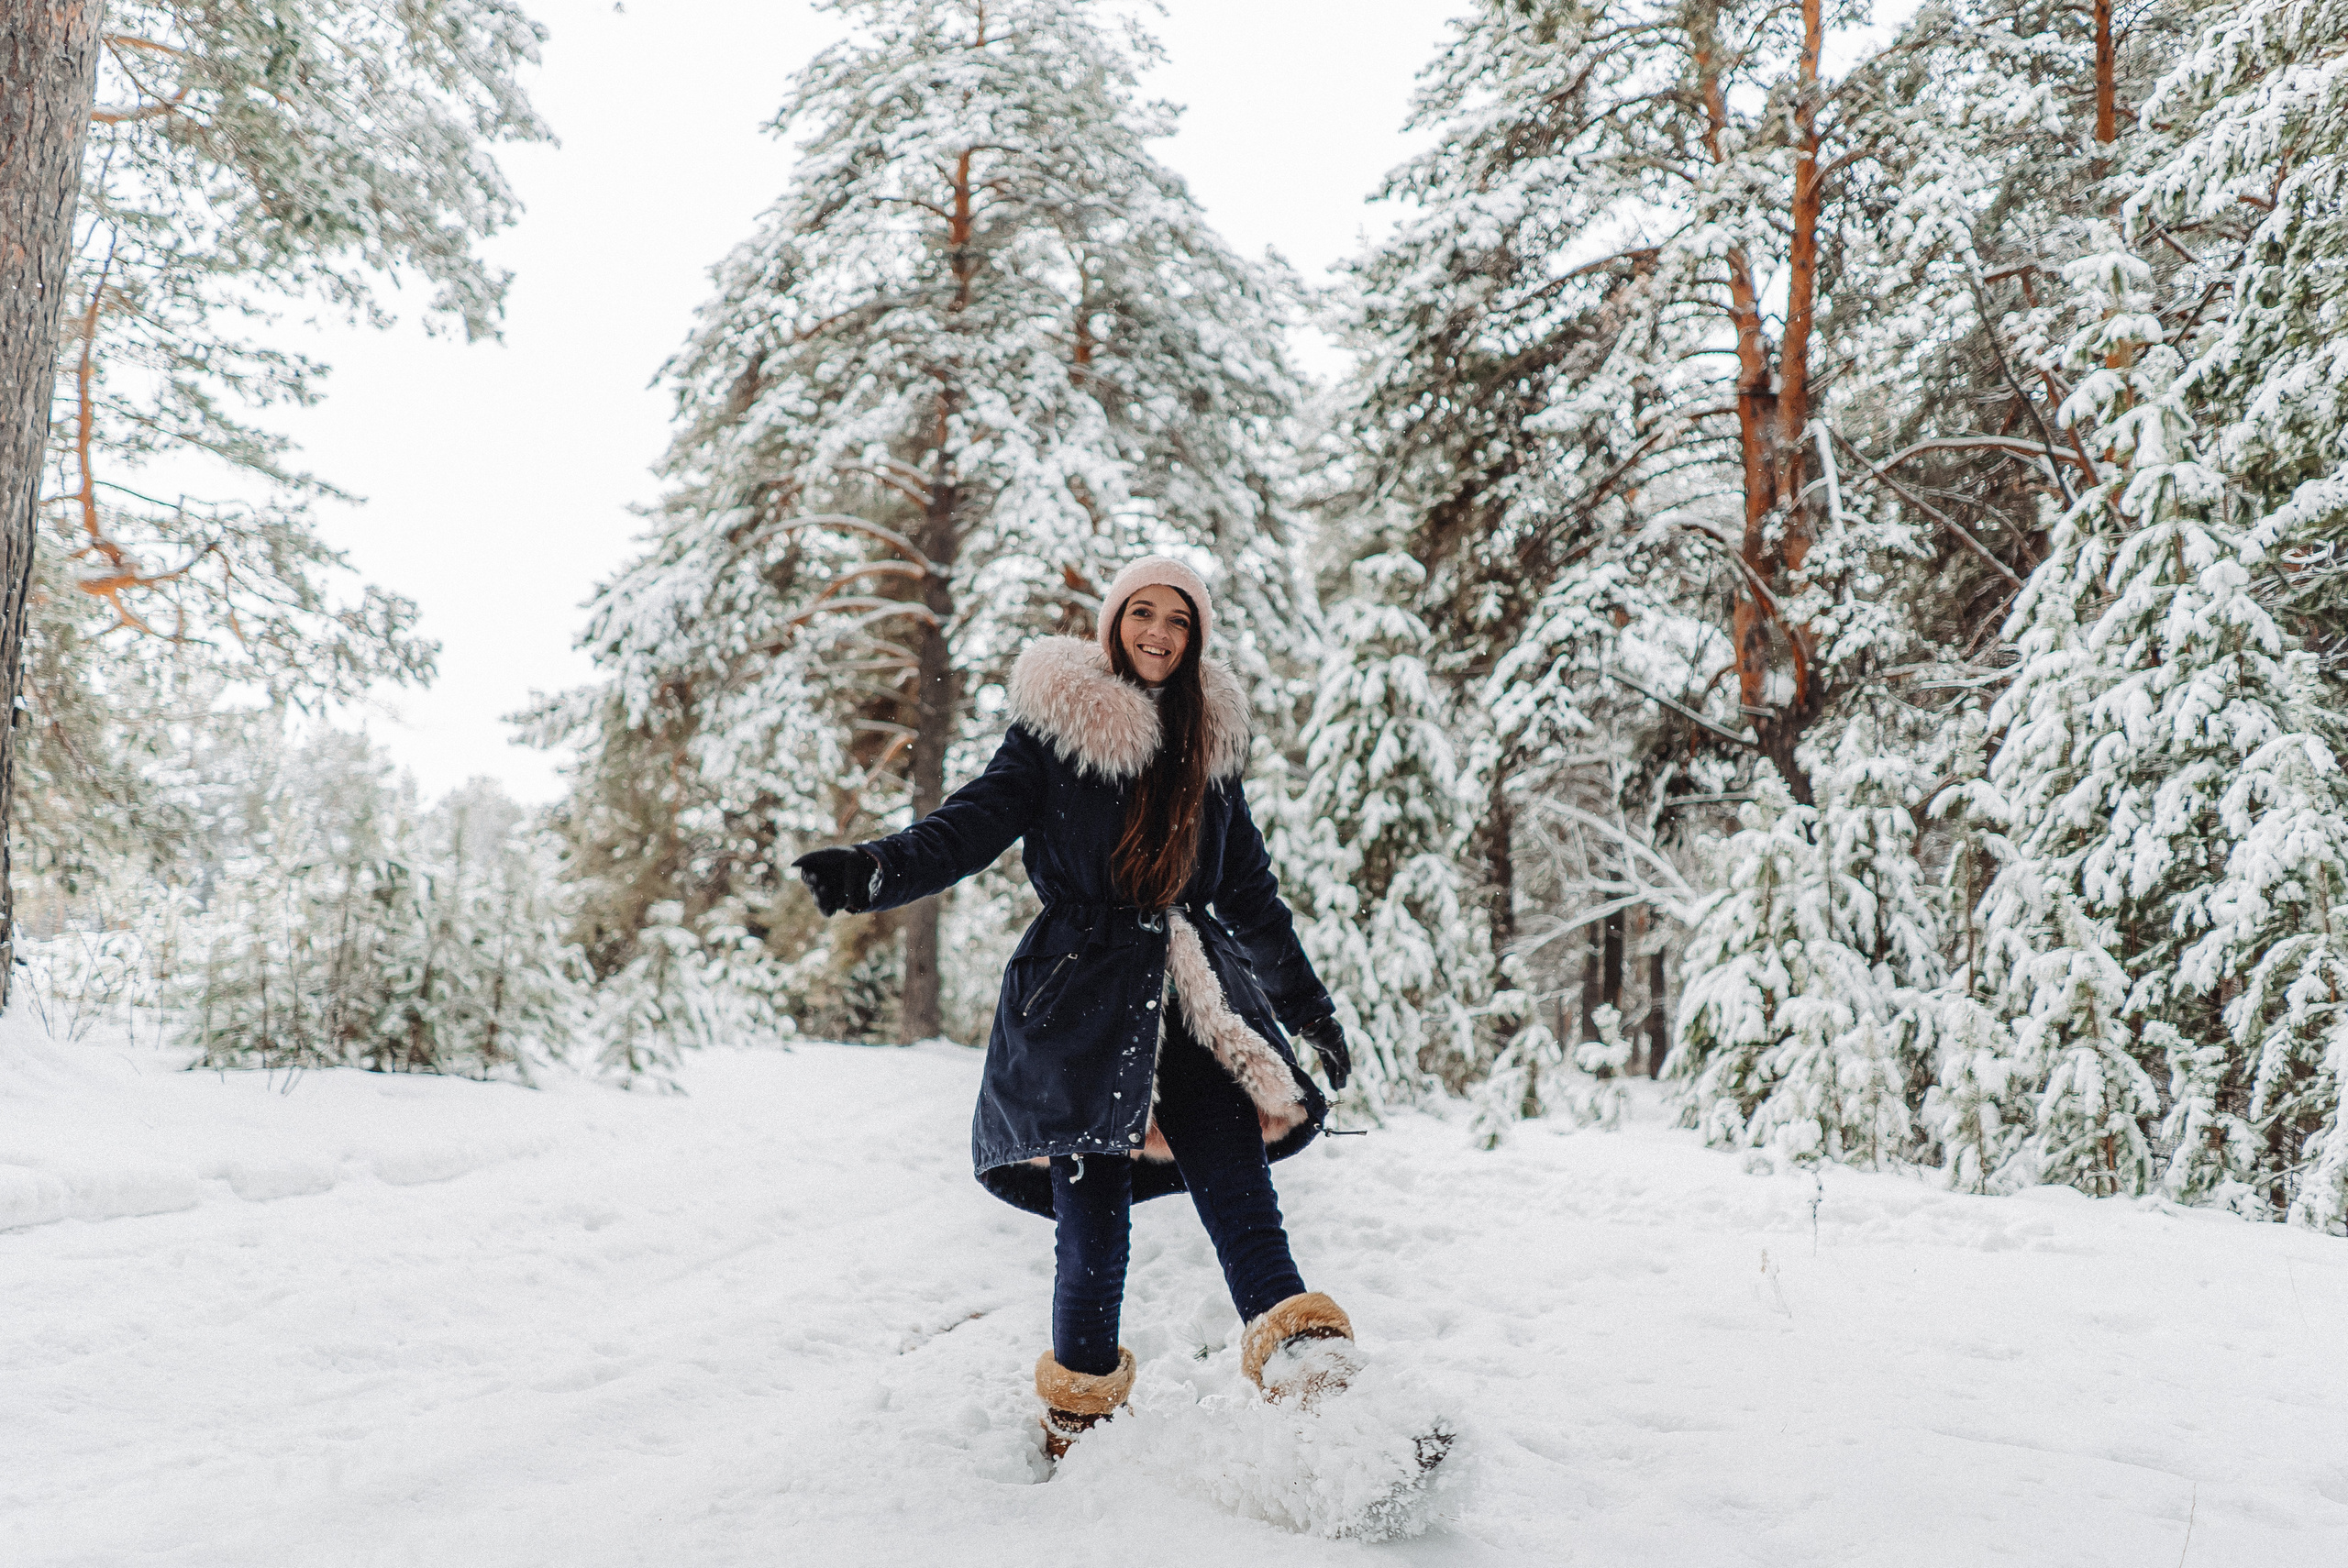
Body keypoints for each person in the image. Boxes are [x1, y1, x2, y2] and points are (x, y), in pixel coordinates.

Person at [792, 555, 1357, 1459]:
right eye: (1142, 614)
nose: (1158, 634)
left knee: (1244, 1197)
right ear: (1112, 624)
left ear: (1196, 635)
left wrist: (1309, 1010)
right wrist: (873, 870)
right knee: (1093, 1231)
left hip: (1193, 1001)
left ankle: (1321, 1393)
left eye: (1178, 620)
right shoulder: (1053, 734)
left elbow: (1250, 896)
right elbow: (968, 826)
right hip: (1079, 1007)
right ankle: (1079, 1420)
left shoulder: (1208, 750)